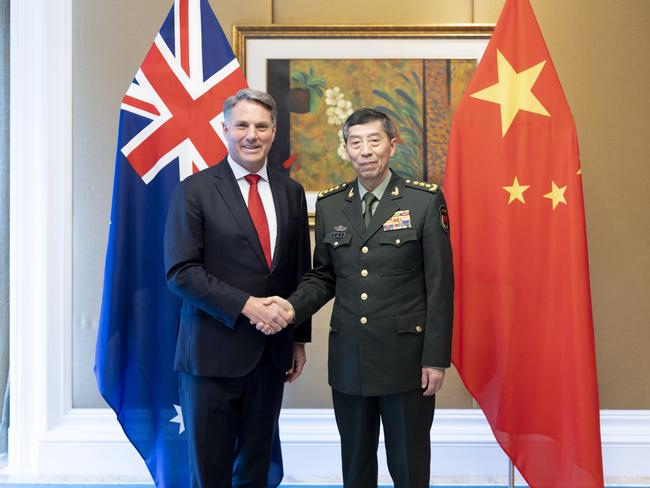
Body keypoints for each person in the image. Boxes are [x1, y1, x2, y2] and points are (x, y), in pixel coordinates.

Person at [261, 108, 454, 488]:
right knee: (356, 464)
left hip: (406, 359)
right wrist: (290, 307)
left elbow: (440, 285)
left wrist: (435, 358)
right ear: (346, 150)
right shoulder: (333, 204)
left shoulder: (424, 202)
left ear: (392, 145)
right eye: (355, 142)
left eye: (374, 141)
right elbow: (323, 276)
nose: (365, 151)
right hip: (350, 358)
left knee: (409, 465)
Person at [163, 88, 312, 488]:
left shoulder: (290, 192)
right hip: (211, 356)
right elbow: (181, 271)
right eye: (242, 125)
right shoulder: (194, 191)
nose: (252, 134)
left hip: (270, 356)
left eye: (261, 126)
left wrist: (298, 339)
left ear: (274, 131)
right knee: (210, 473)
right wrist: (248, 306)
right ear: (224, 128)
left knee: (255, 470)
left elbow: (299, 271)